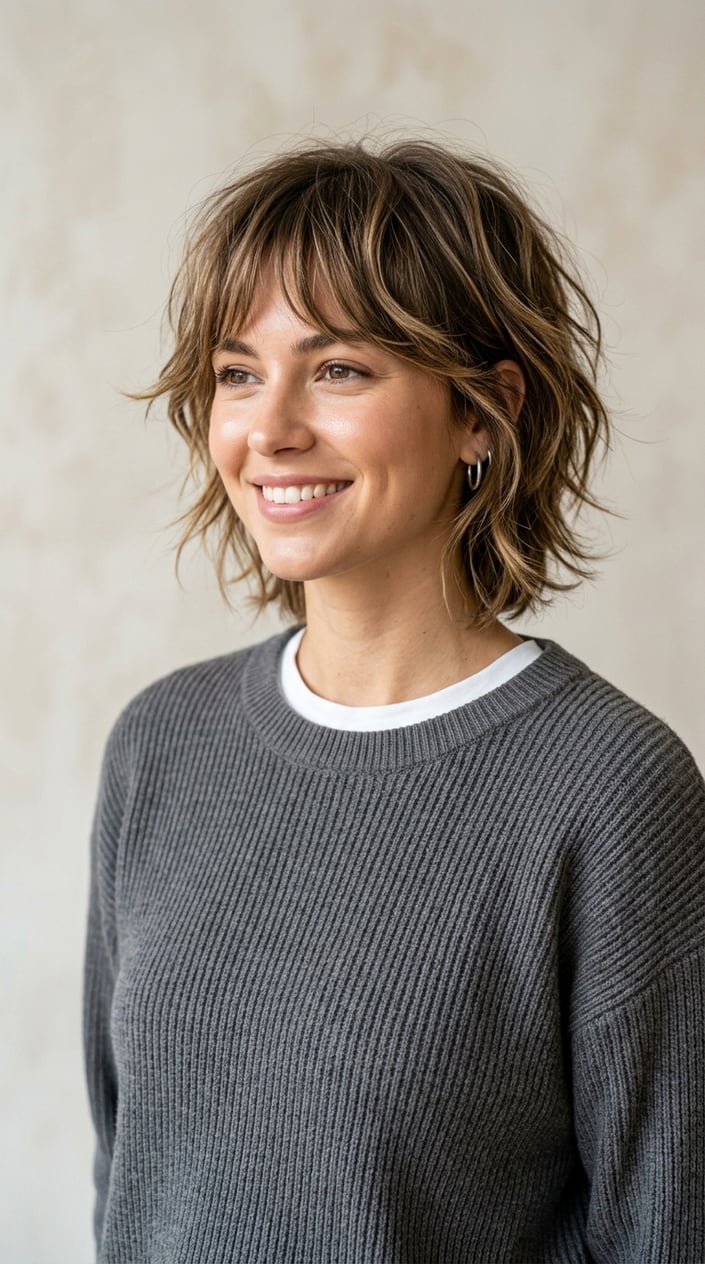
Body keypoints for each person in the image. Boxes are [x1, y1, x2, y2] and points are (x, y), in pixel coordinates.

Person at [83, 139, 705, 1263]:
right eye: (236, 372)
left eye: (339, 370)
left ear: (484, 412)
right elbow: (129, 1183)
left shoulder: (614, 790)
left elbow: (668, 1225)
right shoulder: (161, 746)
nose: (268, 428)